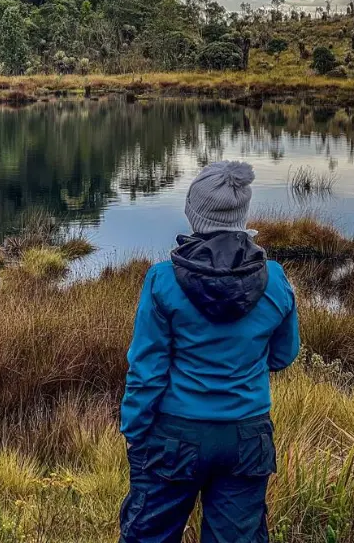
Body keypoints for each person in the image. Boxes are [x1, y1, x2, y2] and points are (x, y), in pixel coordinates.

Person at [119, 160, 300, 543]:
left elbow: (146, 371)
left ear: (194, 213)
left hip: (173, 438)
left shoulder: (162, 280)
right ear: (241, 215)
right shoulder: (276, 279)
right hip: (247, 439)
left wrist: (134, 431)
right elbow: (283, 356)